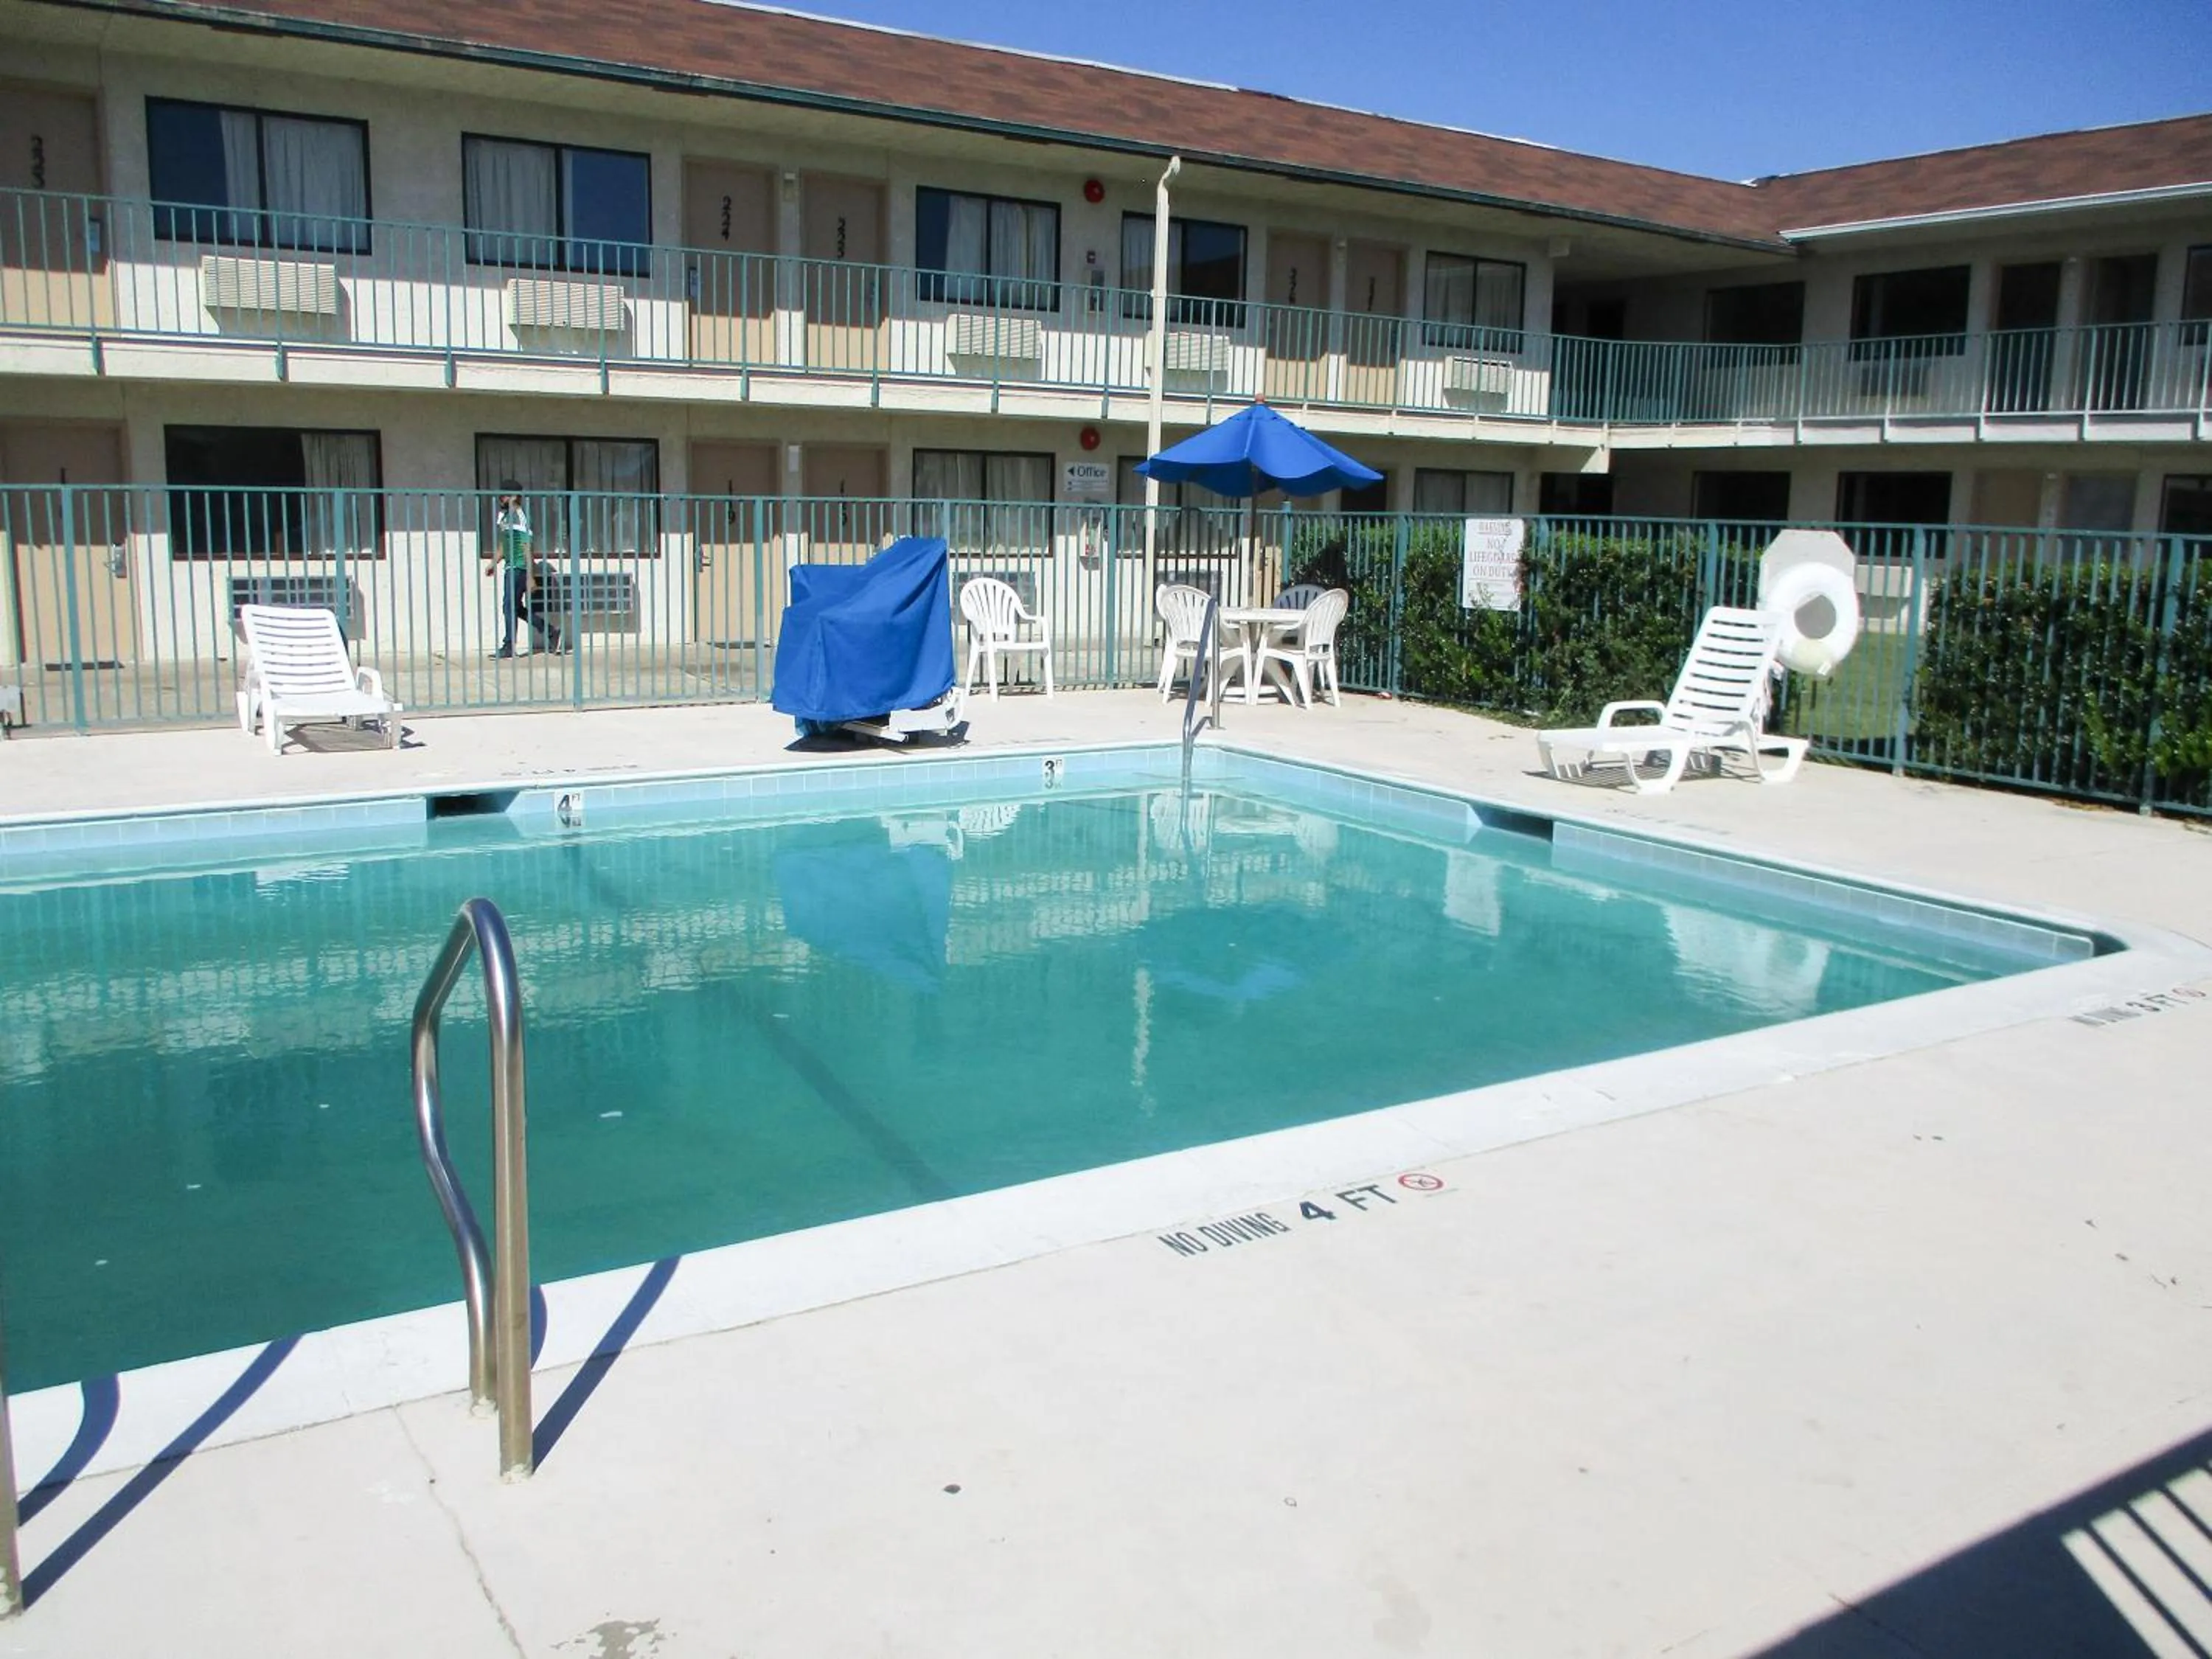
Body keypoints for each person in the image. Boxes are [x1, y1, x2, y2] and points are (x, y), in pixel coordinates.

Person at [486, 484, 533, 658]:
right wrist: (493, 563)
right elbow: (503, 545)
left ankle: (509, 646)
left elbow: (526, 544)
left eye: (505, 496)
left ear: (515, 497)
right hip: (510, 566)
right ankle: (550, 631)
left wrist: (530, 575)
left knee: (509, 606)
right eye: (501, 496)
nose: (502, 499)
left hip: (519, 567)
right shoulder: (505, 517)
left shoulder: (519, 516)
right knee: (513, 607)